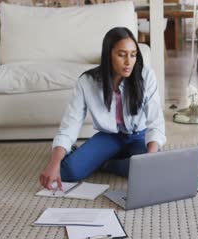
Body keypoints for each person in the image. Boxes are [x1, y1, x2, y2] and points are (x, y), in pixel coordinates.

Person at [39, 27, 166, 190]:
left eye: (133, 55)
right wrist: (54, 162)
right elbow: (69, 125)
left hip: (138, 136)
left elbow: (156, 121)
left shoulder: (146, 75)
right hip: (109, 137)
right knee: (68, 172)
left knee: (154, 168)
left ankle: (107, 164)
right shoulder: (87, 82)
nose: (129, 62)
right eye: (121, 55)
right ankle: (101, 158)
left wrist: (151, 158)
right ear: (108, 54)